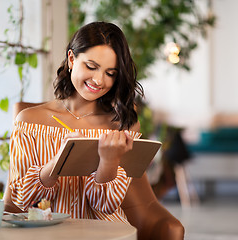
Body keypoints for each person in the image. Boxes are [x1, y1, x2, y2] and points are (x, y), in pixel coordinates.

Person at [9, 21, 150, 223]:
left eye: (111, 73)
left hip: (106, 235)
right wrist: (59, 160)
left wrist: (109, 160)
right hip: (49, 235)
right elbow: (24, 200)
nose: (99, 80)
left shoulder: (122, 124)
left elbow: (105, 205)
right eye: (91, 67)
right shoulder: (29, 120)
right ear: (71, 58)